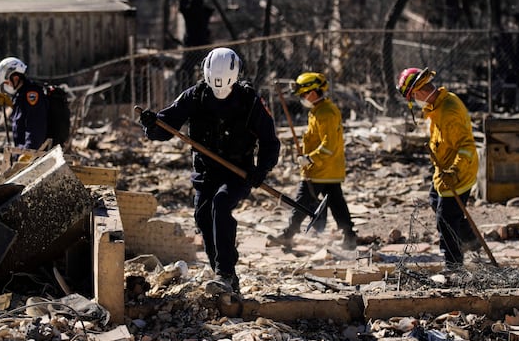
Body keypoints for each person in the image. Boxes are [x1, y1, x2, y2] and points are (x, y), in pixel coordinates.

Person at [139, 47, 281, 295]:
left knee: (221, 203)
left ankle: (224, 273)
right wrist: (152, 125)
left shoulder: (250, 101)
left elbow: (270, 141)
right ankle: (224, 274)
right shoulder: (195, 96)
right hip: (206, 172)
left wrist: (262, 170)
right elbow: (166, 127)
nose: (218, 95)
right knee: (204, 218)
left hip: (238, 172)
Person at [396, 67, 480, 270]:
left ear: (420, 91)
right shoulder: (438, 105)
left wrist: (454, 170)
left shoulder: (448, 112)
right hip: (443, 171)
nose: (415, 101)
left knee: (446, 219)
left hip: (458, 173)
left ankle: (453, 265)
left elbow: (466, 147)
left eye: (413, 96)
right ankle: (470, 240)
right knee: (436, 200)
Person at [268, 72, 357, 250]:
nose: (301, 98)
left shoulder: (326, 113)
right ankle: (350, 237)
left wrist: (310, 159)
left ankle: (288, 235)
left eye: (303, 94)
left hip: (321, 169)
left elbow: (328, 145)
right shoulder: (317, 111)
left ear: (313, 93)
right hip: (324, 169)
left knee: (301, 201)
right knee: (336, 202)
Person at [0, 56, 49, 151]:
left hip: (31, 153)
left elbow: (35, 126)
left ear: (15, 78)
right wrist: (12, 106)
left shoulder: (31, 94)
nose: (7, 86)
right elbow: (21, 118)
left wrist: (28, 151)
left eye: (7, 83)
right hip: (22, 150)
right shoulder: (21, 95)